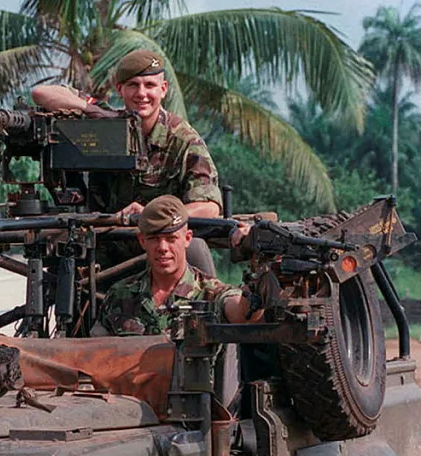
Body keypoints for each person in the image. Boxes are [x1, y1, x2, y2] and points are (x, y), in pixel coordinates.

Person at [31, 49, 223, 224]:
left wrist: (151, 214)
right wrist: (93, 111)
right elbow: (40, 93)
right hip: (103, 242)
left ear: (163, 89)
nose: (142, 94)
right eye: (133, 85)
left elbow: (209, 207)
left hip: (159, 244)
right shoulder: (105, 123)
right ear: (119, 89)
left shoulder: (182, 139)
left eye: (150, 85)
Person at [96, 195, 262, 336]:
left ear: (188, 238)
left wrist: (259, 263)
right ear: (142, 241)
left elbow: (243, 314)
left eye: (171, 238)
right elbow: (97, 355)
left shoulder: (211, 293)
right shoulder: (119, 296)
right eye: (154, 238)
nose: (162, 248)